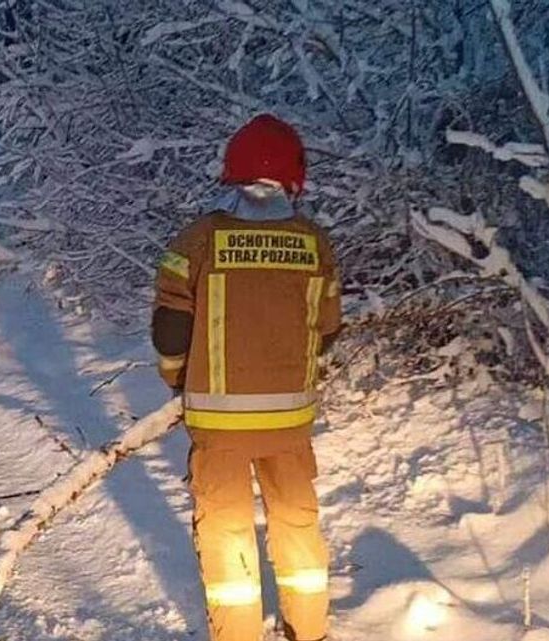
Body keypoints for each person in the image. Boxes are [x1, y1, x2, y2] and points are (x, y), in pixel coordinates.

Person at [152, 114, 342, 641]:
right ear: (292, 177)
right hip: (290, 424)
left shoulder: (197, 240)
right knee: (297, 525)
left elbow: (169, 328)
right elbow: (327, 329)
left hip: (218, 425)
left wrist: (177, 382)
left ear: (231, 173)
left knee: (226, 531)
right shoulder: (314, 243)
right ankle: (309, 631)